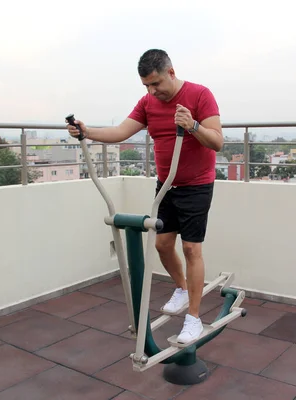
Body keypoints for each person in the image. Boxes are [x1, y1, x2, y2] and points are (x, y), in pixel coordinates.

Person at [66, 49, 223, 344]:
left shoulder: (200, 95)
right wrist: (87, 132)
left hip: (197, 185)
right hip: (166, 186)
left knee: (191, 250)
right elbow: (120, 131)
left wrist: (193, 126)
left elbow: (217, 142)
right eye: (146, 86)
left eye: (156, 84)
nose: (152, 91)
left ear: (171, 73)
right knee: (163, 245)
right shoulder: (148, 102)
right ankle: (181, 287)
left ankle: (194, 318)